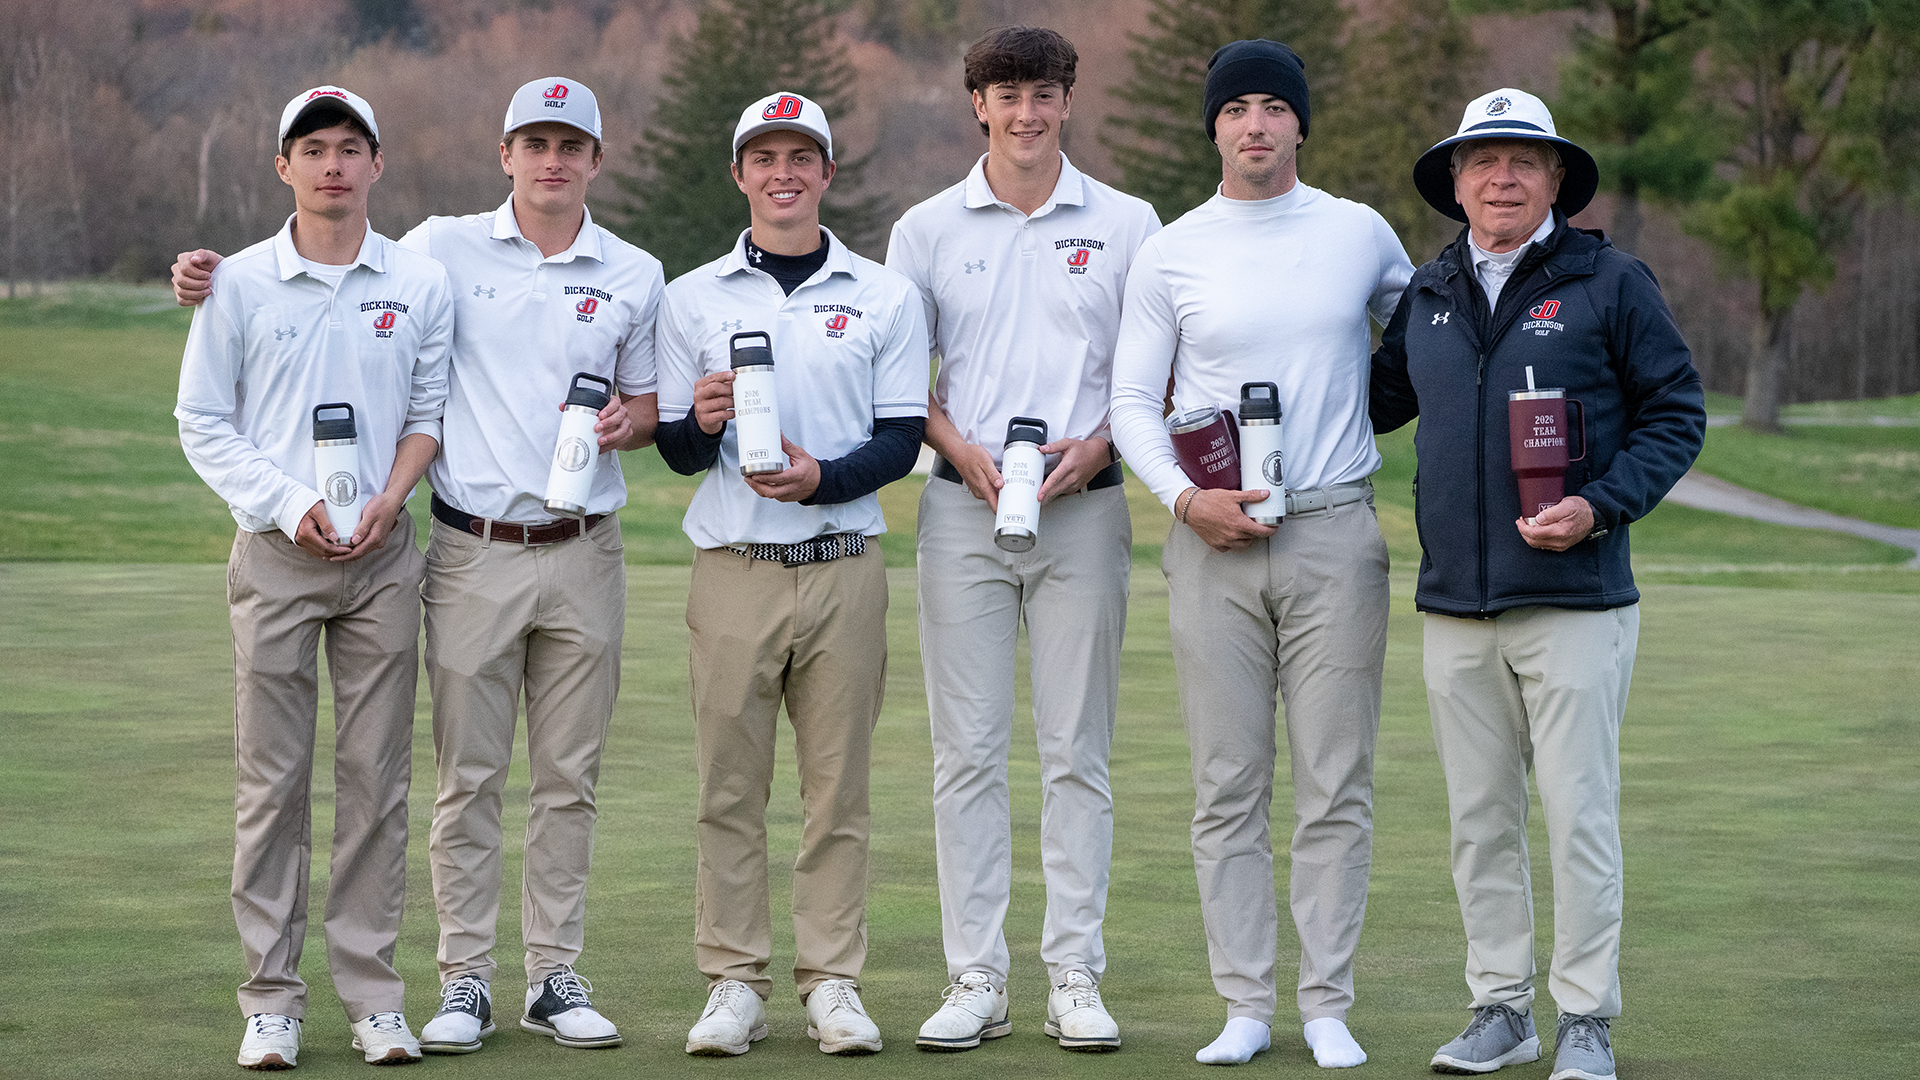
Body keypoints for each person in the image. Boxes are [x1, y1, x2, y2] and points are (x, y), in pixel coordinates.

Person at [173, 77, 664, 1055]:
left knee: (449, 781)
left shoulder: (604, 272)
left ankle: (481, 985)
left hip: (517, 549)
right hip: (403, 549)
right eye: (534, 143)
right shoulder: (425, 253)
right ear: (504, 155)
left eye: (570, 145)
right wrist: (200, 274)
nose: (552, 160)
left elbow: (445, 408)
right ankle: (334, 993)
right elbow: (210, 408)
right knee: (341, 783)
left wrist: (627, 422)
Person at [1370, 88, 1704, 1080]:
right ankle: (1501, 1009)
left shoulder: (1612, 282)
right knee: (1480, 825)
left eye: (1524, 160)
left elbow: (1676, 412)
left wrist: (1600, 506)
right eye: (1483, 160)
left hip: (1575, 601)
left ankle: (1586, 1019)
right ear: (1457, 180)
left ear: (1557, 177)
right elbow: (1368, 401)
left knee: (1578, 818)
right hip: (1455, 606)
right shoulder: (1429, 292)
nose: (1502, 178)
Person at [1108, 40, 1413, 1069]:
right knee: (1227, 783)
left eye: (1273, 107)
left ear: (1299, 123)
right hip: (1213, 543)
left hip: (1335, 533)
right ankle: (1245, 1002)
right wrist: (1184, 497)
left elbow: (1429, 340)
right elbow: (1130, 400)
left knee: (1336, 780)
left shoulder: (1358, 233)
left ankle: (1326, 1003)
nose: (1255, 124)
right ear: (1214, 126)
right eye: (1235, 108)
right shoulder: (1173, 250)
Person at [884, 25, 1158, 1053]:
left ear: (1068, 101)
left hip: (1085, 509)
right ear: (978, 105)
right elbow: (901, 383)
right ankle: (978, 976)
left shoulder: (1129, 223)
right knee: (967, 754)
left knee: (1077, 752)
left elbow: (1152, 374)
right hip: (965, 509)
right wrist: (959, 451)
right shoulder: (924, 228)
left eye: (1044, 94)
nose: (1026, 113)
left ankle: (1074, 974)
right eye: (1007, 95)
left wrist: (1100, 448)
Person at [175, 85, 453, 1069]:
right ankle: (271, 1001)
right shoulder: (237, 283)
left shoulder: (419, 281)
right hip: (277, 556)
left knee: (377, 782)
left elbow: (427, 414)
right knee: (272, 783)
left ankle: (375, 999)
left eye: (349, 147)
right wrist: (292, 503)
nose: (332, 164)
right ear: (283, 166)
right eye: (313, 149)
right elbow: (202, 419)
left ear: (376, 163)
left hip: (384, 556)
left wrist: (391, 498)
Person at [652, 91, 927, 1058]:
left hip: (844, 563)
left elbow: (900, 439)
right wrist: (703, 424)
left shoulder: (884, 295)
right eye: (764, 158)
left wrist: (821, 481)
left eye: (800, 157)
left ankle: (832, 982)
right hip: (734, 566)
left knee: (837, 790)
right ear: (739, 174)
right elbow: (677, 451)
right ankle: (734, 982)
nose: (783, 174)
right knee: (728, 787)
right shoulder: (690, 297)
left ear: (826, 173)